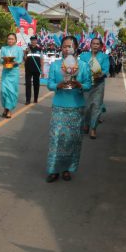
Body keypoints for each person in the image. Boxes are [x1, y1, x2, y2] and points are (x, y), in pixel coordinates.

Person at [45, 36, 92, 183]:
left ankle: (67, 169)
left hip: (76, 107)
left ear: (76, 48)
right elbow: (50, 84)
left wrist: (79, 84)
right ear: (61, 48)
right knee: (56, 139)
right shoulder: (55, 65)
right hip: (59, 106)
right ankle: (53, 170)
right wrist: (58, 85)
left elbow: (88, 85)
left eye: (70, 46)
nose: (67, 49)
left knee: (72, 140)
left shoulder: (83, 66)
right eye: (64, 46)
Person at [80, 37, 110, 139]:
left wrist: (100, 74)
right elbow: (80, 68)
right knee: (86, 107)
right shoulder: (84, 56)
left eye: (98, 44)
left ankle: (93, 129)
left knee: (96, 107)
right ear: (90, 45)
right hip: (87, 85)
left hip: (98, 85)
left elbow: (106, 70)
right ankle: (86, 124)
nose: (95, 45)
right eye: (94, 43)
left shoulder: (104, 57)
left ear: (100, 46)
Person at [0, 33, 25, 118]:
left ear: (15, 40)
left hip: (14, 72)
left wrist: (13, 62)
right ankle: (5, 108)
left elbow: (20, 60)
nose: (10, 40)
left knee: (11, 92)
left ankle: (9, 110)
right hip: (5, 72)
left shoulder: (19, 49)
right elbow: (1, 59)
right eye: (9, 39)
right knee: (4, 91)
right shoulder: (3, 48)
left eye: (12, 39)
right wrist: (5, 61)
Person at [24, 35, 44, 104]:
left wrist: (42, 69)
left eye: (34, 40)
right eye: (32, 40)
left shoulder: (39, 49)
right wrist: (25, 53)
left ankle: (35, 98)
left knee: (36, 84)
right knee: (28, 84)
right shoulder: (27, 49)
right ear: (31, 41)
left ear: (36, 41)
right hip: (28, 69)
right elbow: (25, 59)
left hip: (36, 69)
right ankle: (28, 100)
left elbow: (41, 60)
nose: (33, 41)